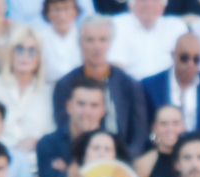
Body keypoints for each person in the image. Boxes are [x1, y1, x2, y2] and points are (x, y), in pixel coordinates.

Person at [51, 15, 150, 159]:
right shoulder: (65, 85)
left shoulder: (129, 85)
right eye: (90, 40)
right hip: (79, 160)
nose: (97, 46)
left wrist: (126, 161)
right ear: (80, 43)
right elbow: (64, 130)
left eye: (102, 39)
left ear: (110, 43)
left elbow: (139, 133)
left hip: (122, 162)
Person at [0, 24, 55, 167]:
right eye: (19, 49)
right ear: (10, 53)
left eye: (32, 51)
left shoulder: (48, 92)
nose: (25, 55)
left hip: (36, 164)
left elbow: (52, 135)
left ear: (39, 57)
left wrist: (36, 142)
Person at [140, 33, 200, 148]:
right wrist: (161, 142)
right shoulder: (151, 86)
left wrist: (199, 145)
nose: (190, 64)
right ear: (173, 55)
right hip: (162, 152)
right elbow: (144, 132)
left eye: (197, 59)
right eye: (184, 58)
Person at [37, 78, 106, 177]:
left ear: (103, 111)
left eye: (94, 105)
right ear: (69, 107)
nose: (86, 112)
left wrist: (68, 172)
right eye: (81, 104)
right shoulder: (48, 143)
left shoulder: (114, 144)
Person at [106, 0, 189, 81]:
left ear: (163, 6)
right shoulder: (119, 25)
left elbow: (186, 65)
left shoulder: (176, 27)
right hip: (131, 90)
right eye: (143, 0)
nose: (149, 4)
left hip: (166, 90)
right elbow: (116, 68)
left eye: (155, 1)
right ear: (132, 4)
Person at [37, 0, 83, 84]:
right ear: (48, 13)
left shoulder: (84, 38)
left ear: (75, 12)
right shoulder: (38, 39)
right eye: (56, 10)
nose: (62, 15)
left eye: (67, 9)